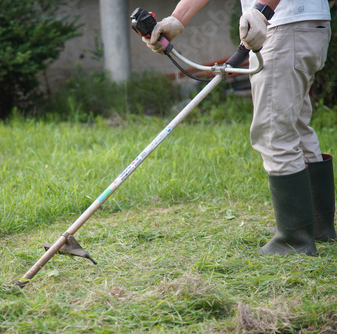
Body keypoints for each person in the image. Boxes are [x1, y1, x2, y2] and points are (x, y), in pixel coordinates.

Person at [143, 0, 336, 255]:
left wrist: (263, 8)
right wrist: (178, 19)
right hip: (299, 24)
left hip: (285, 24)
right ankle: (317, 229)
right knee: (294, 127)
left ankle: (294, 241)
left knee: (273, 131)